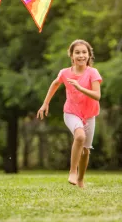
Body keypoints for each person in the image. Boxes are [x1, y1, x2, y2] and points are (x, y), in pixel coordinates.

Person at [37, 39, 102, 188]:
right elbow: (55, 83)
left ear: (89, 55)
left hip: (90, 114)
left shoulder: (93, 73)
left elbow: (97, 96)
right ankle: (72, 171)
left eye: (84, 52)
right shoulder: (65, 73)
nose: (81, 55)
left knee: (86, 150)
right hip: (71, 112)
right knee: (79, 136)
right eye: (77, 52)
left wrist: (80, 88)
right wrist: (45, 103)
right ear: (71, 56)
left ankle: (80, 179)